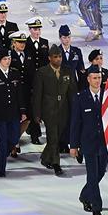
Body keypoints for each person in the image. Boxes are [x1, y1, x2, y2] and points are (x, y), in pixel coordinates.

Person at [69, 65, 108, 215]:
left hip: (104, 143)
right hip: (88, 143)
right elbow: (75, 123)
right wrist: (73, 146)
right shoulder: (80, 98)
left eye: (99, 78)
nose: (97, 81)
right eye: (94, 78)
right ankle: (96, 208)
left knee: (100, 173)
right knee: (93, 176)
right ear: (88, 79)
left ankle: (84, 195)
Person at [32, 45, 77, 176]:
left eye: (60, 56)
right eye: (55, 57)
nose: (58, 59)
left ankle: (45, 158)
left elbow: (72, 92)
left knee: (57, 136)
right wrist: (37, 113)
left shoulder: (67, 71)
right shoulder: (42, 72)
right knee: (53, 136)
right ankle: (56, 164)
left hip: (64, 109)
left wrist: (75, 110)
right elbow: (37, 95)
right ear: (49, 58)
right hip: (48, 110)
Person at [0, 50, 27, 178]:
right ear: (0, 60)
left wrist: (23, 111)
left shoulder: (15, 73)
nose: (7, 61)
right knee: (1, 142)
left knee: (14, 137)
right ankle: (1, 168)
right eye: (5, 59)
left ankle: (5, 153)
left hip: (14, 112)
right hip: (0, 114)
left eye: (9, 58)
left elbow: (20, 93)